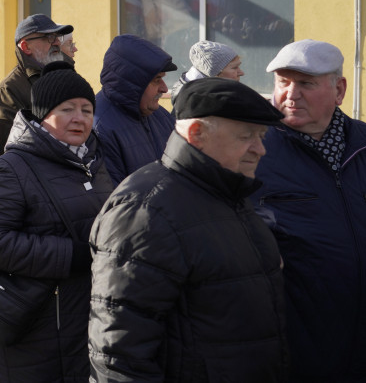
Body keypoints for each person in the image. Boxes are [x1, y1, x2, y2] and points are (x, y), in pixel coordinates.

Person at [89, 77, 288, 381]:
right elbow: (118, 355)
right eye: (246, 136)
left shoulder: (227, 193)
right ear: (197, 134)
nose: (260, 149)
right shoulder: (145, 211)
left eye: (261, 136)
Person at [0, 63, 113, 382]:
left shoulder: (92, 160)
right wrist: (70, 255)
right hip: (36, 327)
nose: (79, 118)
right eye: (67, 109)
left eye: (87, 110)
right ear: (43, 115)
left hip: (85, 320)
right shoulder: (13, 167)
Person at [252, 40, 366, 382]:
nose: (291, 95)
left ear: (340, 90)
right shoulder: (253, 151)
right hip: (292, 349)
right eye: (283, 82)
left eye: (306, 83)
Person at [93, 34, 177, 184]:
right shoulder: (100, 128)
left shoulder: (159, 115)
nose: (164, 88)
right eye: (157, 80)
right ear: (132, 82)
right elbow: (113, 194)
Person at [0, 14, 73, 153]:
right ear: (26, 46)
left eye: (57, 37)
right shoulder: (8, 90)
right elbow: (12, 149)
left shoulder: (66, 76)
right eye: (49, 37)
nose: (57, 43)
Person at [169, 40, 244, 100]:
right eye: (234, 67)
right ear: (215, 74)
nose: (241, 73)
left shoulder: (202, 98)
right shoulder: (201, 103)